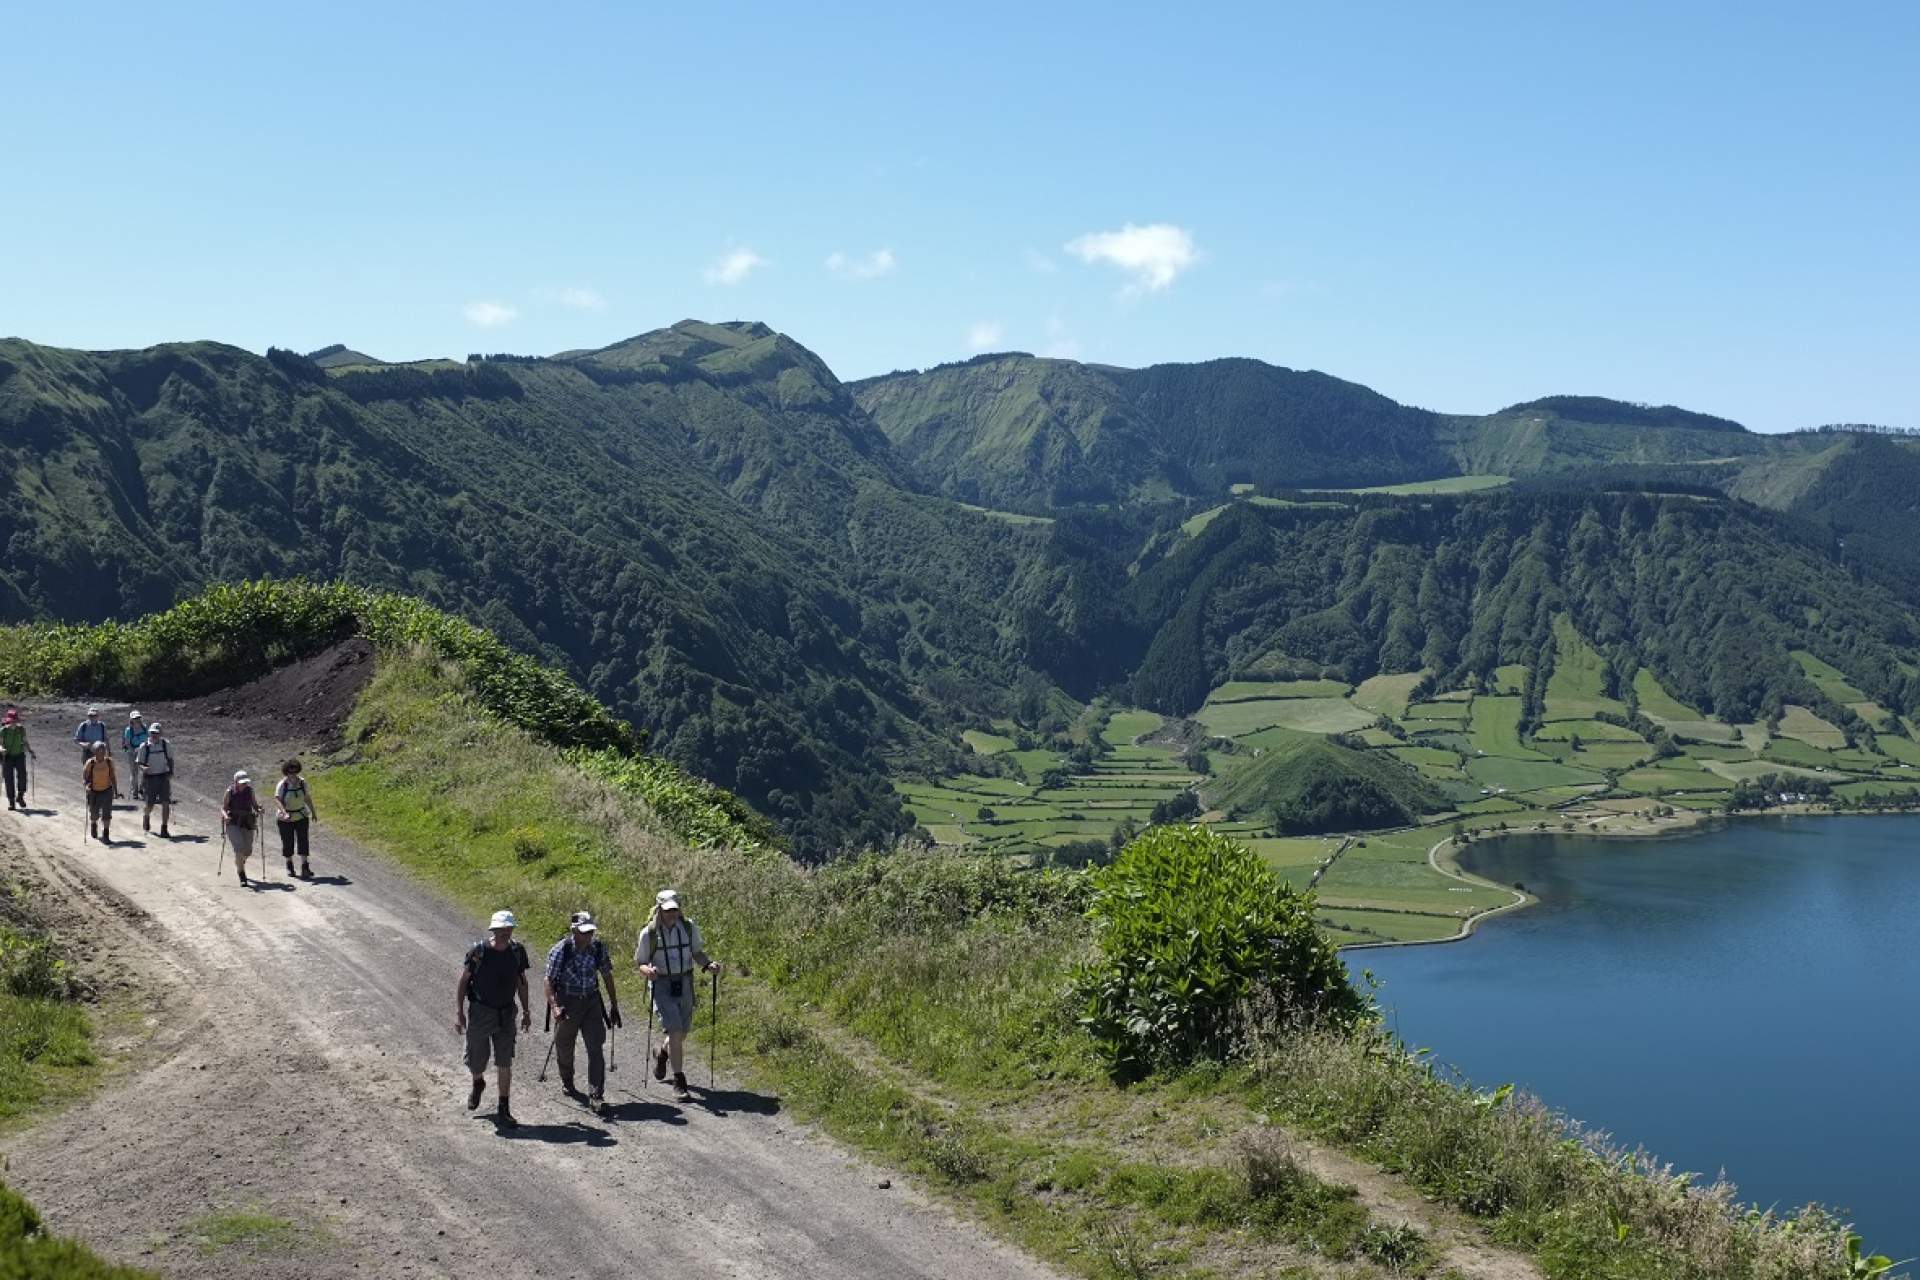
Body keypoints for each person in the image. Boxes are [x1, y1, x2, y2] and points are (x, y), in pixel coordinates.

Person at [634, 889, 719, 1101]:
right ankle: (679, 1081)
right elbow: (640, 962)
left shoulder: (688, 928)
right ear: (659, 910)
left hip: (685, 982)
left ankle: (662, 1054)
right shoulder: (649, 933)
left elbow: (697, 953)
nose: (672, 914)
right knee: (675, 1029)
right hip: (662, 984)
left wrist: (708, 964)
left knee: (681, 1033)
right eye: (667, 910)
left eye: (675, 910)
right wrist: (648, 972)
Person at [456, 910, 532, 1129]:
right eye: (500, 930)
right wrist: (459, 1012)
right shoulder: (478, 952)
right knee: (476, 1059)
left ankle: (503, 1108)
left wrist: (526, 1012)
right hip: (481, 1012)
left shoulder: (517, 951)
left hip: (507, 1013)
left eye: (508, 930)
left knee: (504, 1061)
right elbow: (463, 981)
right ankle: (478, 1082)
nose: (505, 934)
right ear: (493, 930)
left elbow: (522, 982)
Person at [544, 912, 621, 1110]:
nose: (589, 936)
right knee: (564, 1045)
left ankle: (596, 1094)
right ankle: (567, 1081)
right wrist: (554, 1006)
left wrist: (614, 1005)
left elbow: (607, 975)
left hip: (592, 1002)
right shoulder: (561, 950)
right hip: (567, 1002)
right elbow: (549, 980)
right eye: (585, 932)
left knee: (595, 1047)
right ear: (574, 931)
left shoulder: (598, 948)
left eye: (591, 932)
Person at [274, 759, 317, 879]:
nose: (292, 774)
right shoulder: (283, 784)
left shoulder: (302, 783)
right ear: (286, 772)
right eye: (290, 772)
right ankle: (289, 865)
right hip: (285, 819)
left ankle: (305, 867)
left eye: (294, 772)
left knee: (303, 840)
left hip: (301, 816)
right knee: (288, 842)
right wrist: (284, 813)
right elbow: (277, 800)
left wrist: (313, 812)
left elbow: (307, 798)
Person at [221, 770, 263, 886]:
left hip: (247, 822)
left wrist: (259, 810)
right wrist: (225, 817)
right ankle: (242, 874)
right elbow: (223, 808)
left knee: (248, 850)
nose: (244, 784)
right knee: (239, 848)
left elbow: (254, 805)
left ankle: (239, 861)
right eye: (242, 782)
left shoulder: (250, 791)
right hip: (233, 822)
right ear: (236, 782)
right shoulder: (230, 792)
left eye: (245, 782)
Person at [137, 721, 174, 837]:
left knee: (165, 803)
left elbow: (170, 759)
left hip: (163, 776)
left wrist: (171, 772)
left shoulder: (165, 744)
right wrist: (144, 769)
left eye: (157, 733)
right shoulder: (144, 747)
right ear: (149, 733)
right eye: (152, 733)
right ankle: (146, 816)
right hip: (150, 778)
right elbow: (139, 763)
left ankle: (164, 828)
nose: (154, 735)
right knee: (150, 804)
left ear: (160, 733)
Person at [82, 742, 117, 842]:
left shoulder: (109, 762)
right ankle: (94, 824)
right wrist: (86, 786)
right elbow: (85, 776)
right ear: (95, 752)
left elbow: (113, 776)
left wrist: (116, 790)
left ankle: (106, 834)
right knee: (94, 813)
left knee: (107, 813)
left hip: (107, 790)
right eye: (99, 751)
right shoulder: (90, 763)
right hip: (94, 791)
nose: (101, 753)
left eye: (103, 751)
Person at [1, 709, 33, 811]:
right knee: (9, 779)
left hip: (19, 755)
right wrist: (2, 749)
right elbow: (0, 743)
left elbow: (25, 741)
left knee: (22, 776)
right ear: (8, 720)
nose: (13, 722)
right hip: (7, 757)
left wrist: (31, 751)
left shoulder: (21, 729)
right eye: (11, 720)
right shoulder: (3, 731)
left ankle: (20, 796)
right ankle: (11, 802)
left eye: (14, 720)